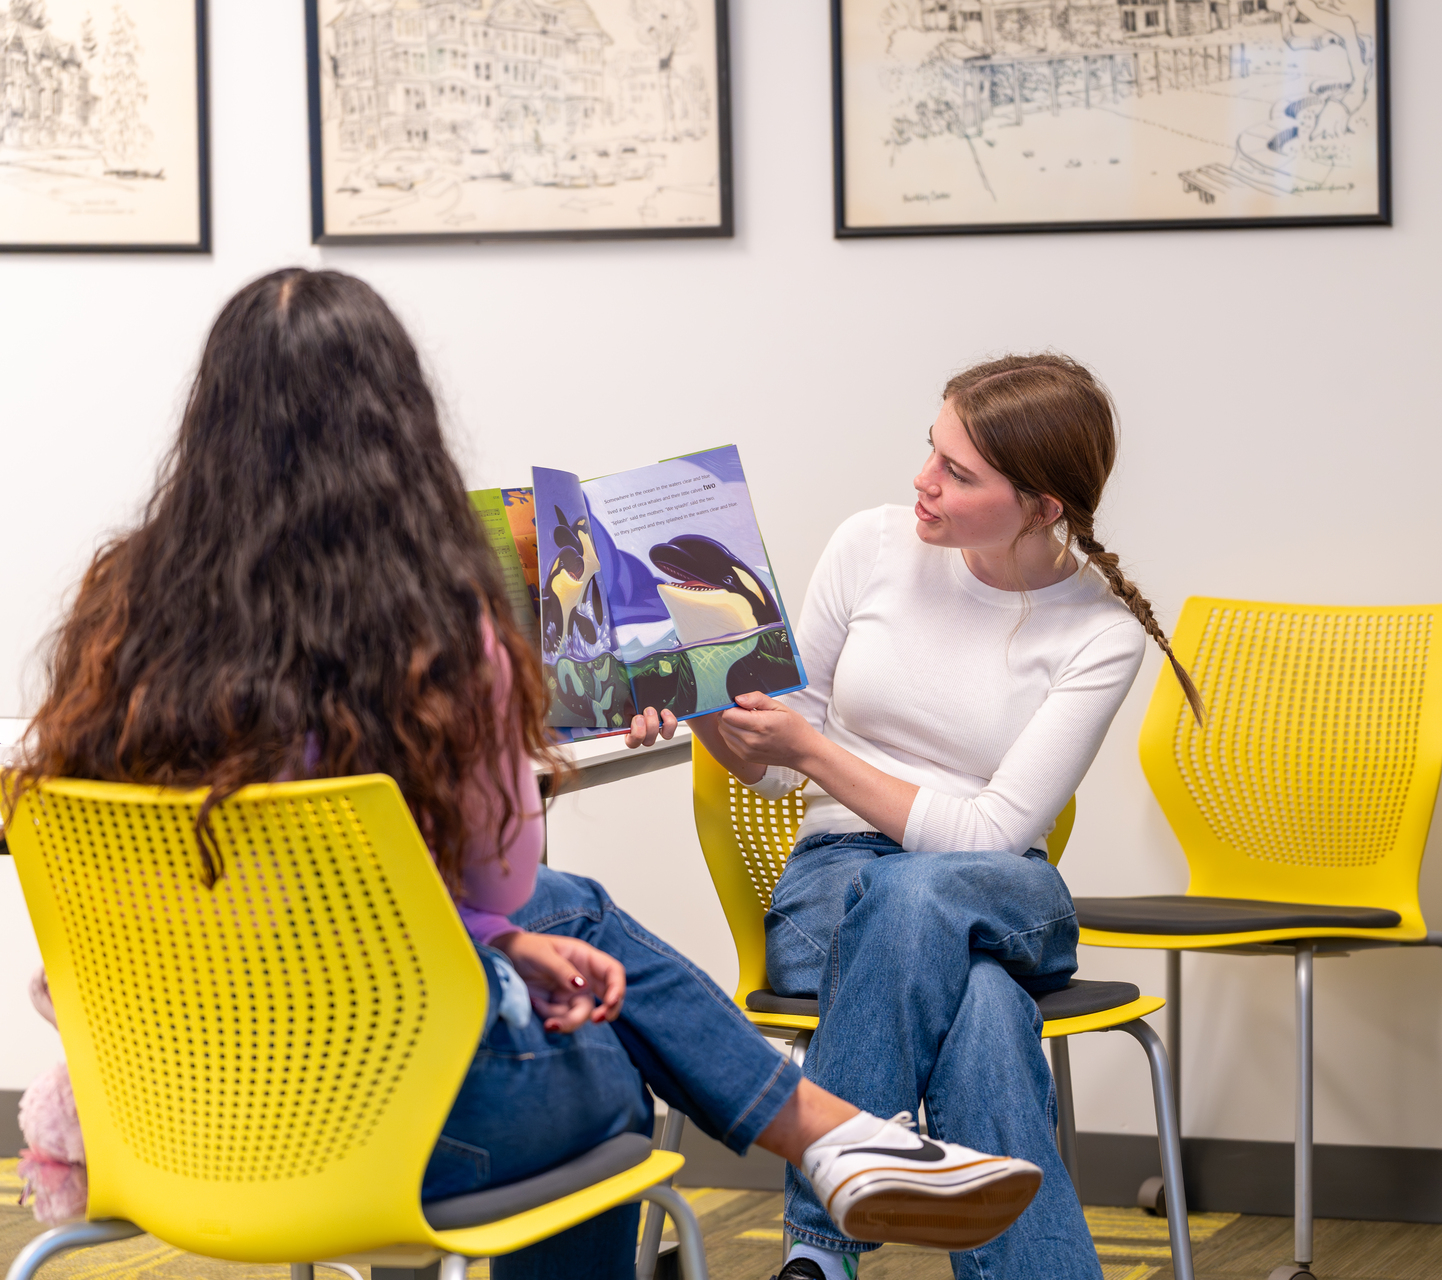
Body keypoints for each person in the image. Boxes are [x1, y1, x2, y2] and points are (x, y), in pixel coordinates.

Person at [3, 269, 1042, 1279]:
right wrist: (501, 897)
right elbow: (499, 875)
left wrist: (500, 938)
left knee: (561, 921)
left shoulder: (120, 612)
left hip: (173, 1106)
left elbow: (288, 896)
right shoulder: (436, 631)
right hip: (405, 1124)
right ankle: (830, 1131)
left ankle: (833, 1134)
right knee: (602, 1026)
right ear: (399, 431)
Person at [665, 353, 1206, 1280]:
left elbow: (993, 832)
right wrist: (697, 698)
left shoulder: (1099, 633)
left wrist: (817, 755)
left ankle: (818, 1244)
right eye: (932, 450)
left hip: (998, 891)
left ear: (1042, 506)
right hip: (832, 891)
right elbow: (768, 770)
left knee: (920, 899)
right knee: (988, 1008)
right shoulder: (870, 546)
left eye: (959, 474)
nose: (924, 482)